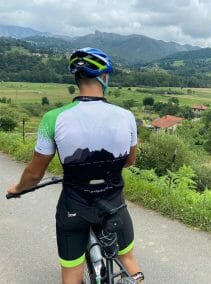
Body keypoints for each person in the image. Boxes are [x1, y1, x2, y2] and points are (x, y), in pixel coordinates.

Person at [6, 47, 143, 284]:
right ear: (105, 77)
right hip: (113, 203)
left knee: (71, 274)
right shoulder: (126, 116)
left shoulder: (53, 118)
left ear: (76, 79)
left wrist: (18, 188)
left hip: (74, 206)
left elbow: (35, 173)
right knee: (128, 259)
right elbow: (130, 160)